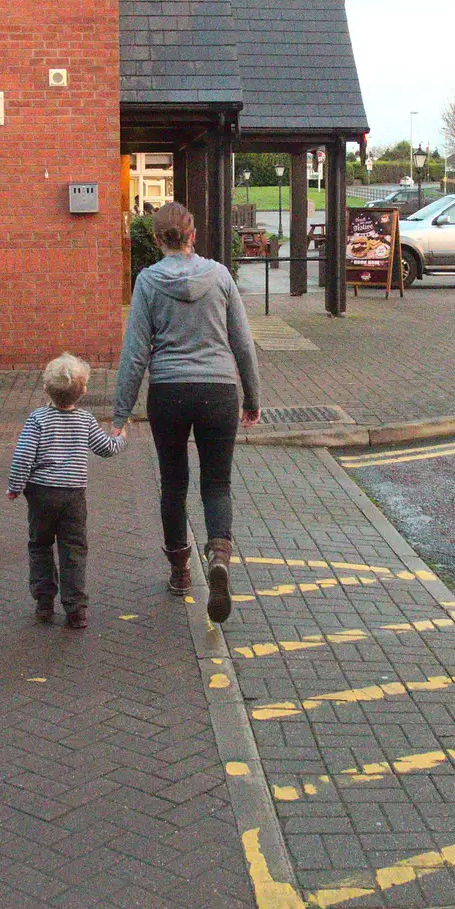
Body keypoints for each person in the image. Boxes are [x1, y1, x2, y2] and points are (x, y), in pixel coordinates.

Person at [112, 201, 261, 623]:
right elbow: (243, 344)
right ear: (192, 235)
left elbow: (135, 352)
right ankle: (219, 558)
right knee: (217, 484)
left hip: (169, 392)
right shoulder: (220, 276)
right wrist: (252, 397)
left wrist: (120, 414)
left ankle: (180, 572)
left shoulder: (147, 281)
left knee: (174, 484)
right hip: (218, 391)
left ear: (157, 239)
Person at [7, 353, 125, 629]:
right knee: (73, 550)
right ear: (83, 391)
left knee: (40, 545)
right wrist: (121, 439)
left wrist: (15, 486)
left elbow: (23, 456)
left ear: (46, 389)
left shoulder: (37, 419)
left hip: (40, 493)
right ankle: (75, 609)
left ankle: (44, 602)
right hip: (73, 496)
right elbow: (105, 448)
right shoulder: (85, 420)